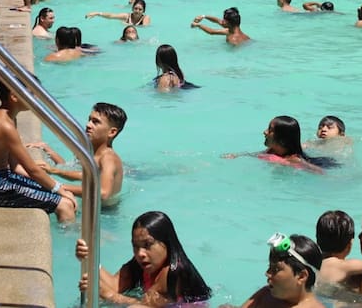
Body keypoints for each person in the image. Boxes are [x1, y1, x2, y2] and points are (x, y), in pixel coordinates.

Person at [0, 76, 77, 222]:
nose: (35, 97)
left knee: (61, 194)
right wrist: (57, 188)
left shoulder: (9, 118)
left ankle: (74, 228)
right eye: (31, 93)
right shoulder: (4, 125)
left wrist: (53, 186)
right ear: (14, 96)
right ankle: (70, 238)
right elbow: (31, 168)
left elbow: (16, 167)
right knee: (64, 204)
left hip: (1, 177)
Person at [75, 211, 212, 306]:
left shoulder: (173, 272)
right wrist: (89, 257)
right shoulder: (141, 263)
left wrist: (105, 293)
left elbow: (145, 305)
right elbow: (115, 285)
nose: (140, 253)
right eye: (136, 246)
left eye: (148, 245)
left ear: (167, 243)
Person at [29, 102, 126, 206]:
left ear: (112, 132)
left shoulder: (108, 158)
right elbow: (72, 169)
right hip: (91, 204)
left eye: (95, 122)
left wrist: (58, 186)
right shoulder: (90, 150)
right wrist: (49, 152)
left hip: (104, 212)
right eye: (89, 119)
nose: (88, 125)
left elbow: (103, 192)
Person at [225, 233, 325, 308]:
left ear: (301, 276)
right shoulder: (266, 294)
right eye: (269, 267)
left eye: (275, 269)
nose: (267, 273)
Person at [224, 116, 337, 173]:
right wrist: (238, 155)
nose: (265, 132)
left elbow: (319, 172)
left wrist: (282, 163)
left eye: (270, 129)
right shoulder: (272, 150)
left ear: (282, 138)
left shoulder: (293, 160)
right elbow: (258, 154)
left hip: (324, 163)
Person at [86, 0, 151, 26]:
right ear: (132, 9)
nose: (137, 11)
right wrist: (97, 13)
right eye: (135, 8)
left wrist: (128, 25)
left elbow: (144, 28)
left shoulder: (145, 18)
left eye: (140, 9)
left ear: (143, 11)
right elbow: (111, 16)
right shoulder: (127, 16)